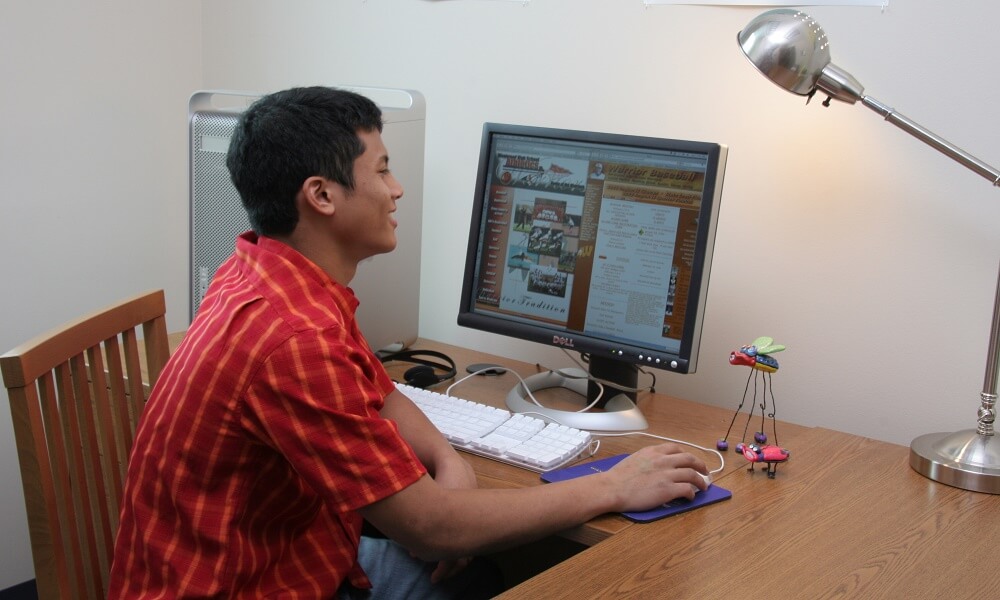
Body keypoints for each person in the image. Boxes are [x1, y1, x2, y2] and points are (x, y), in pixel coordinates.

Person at [108, 86, 709, 599]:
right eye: (382, 170)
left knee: (483, 570)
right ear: (321, 196)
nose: (397, 190)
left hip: (284, 555)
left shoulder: (265, 271)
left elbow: (379, 391)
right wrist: (612, 485)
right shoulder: (294, 338)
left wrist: (448, 459)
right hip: (246, 585)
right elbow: (432, 530)